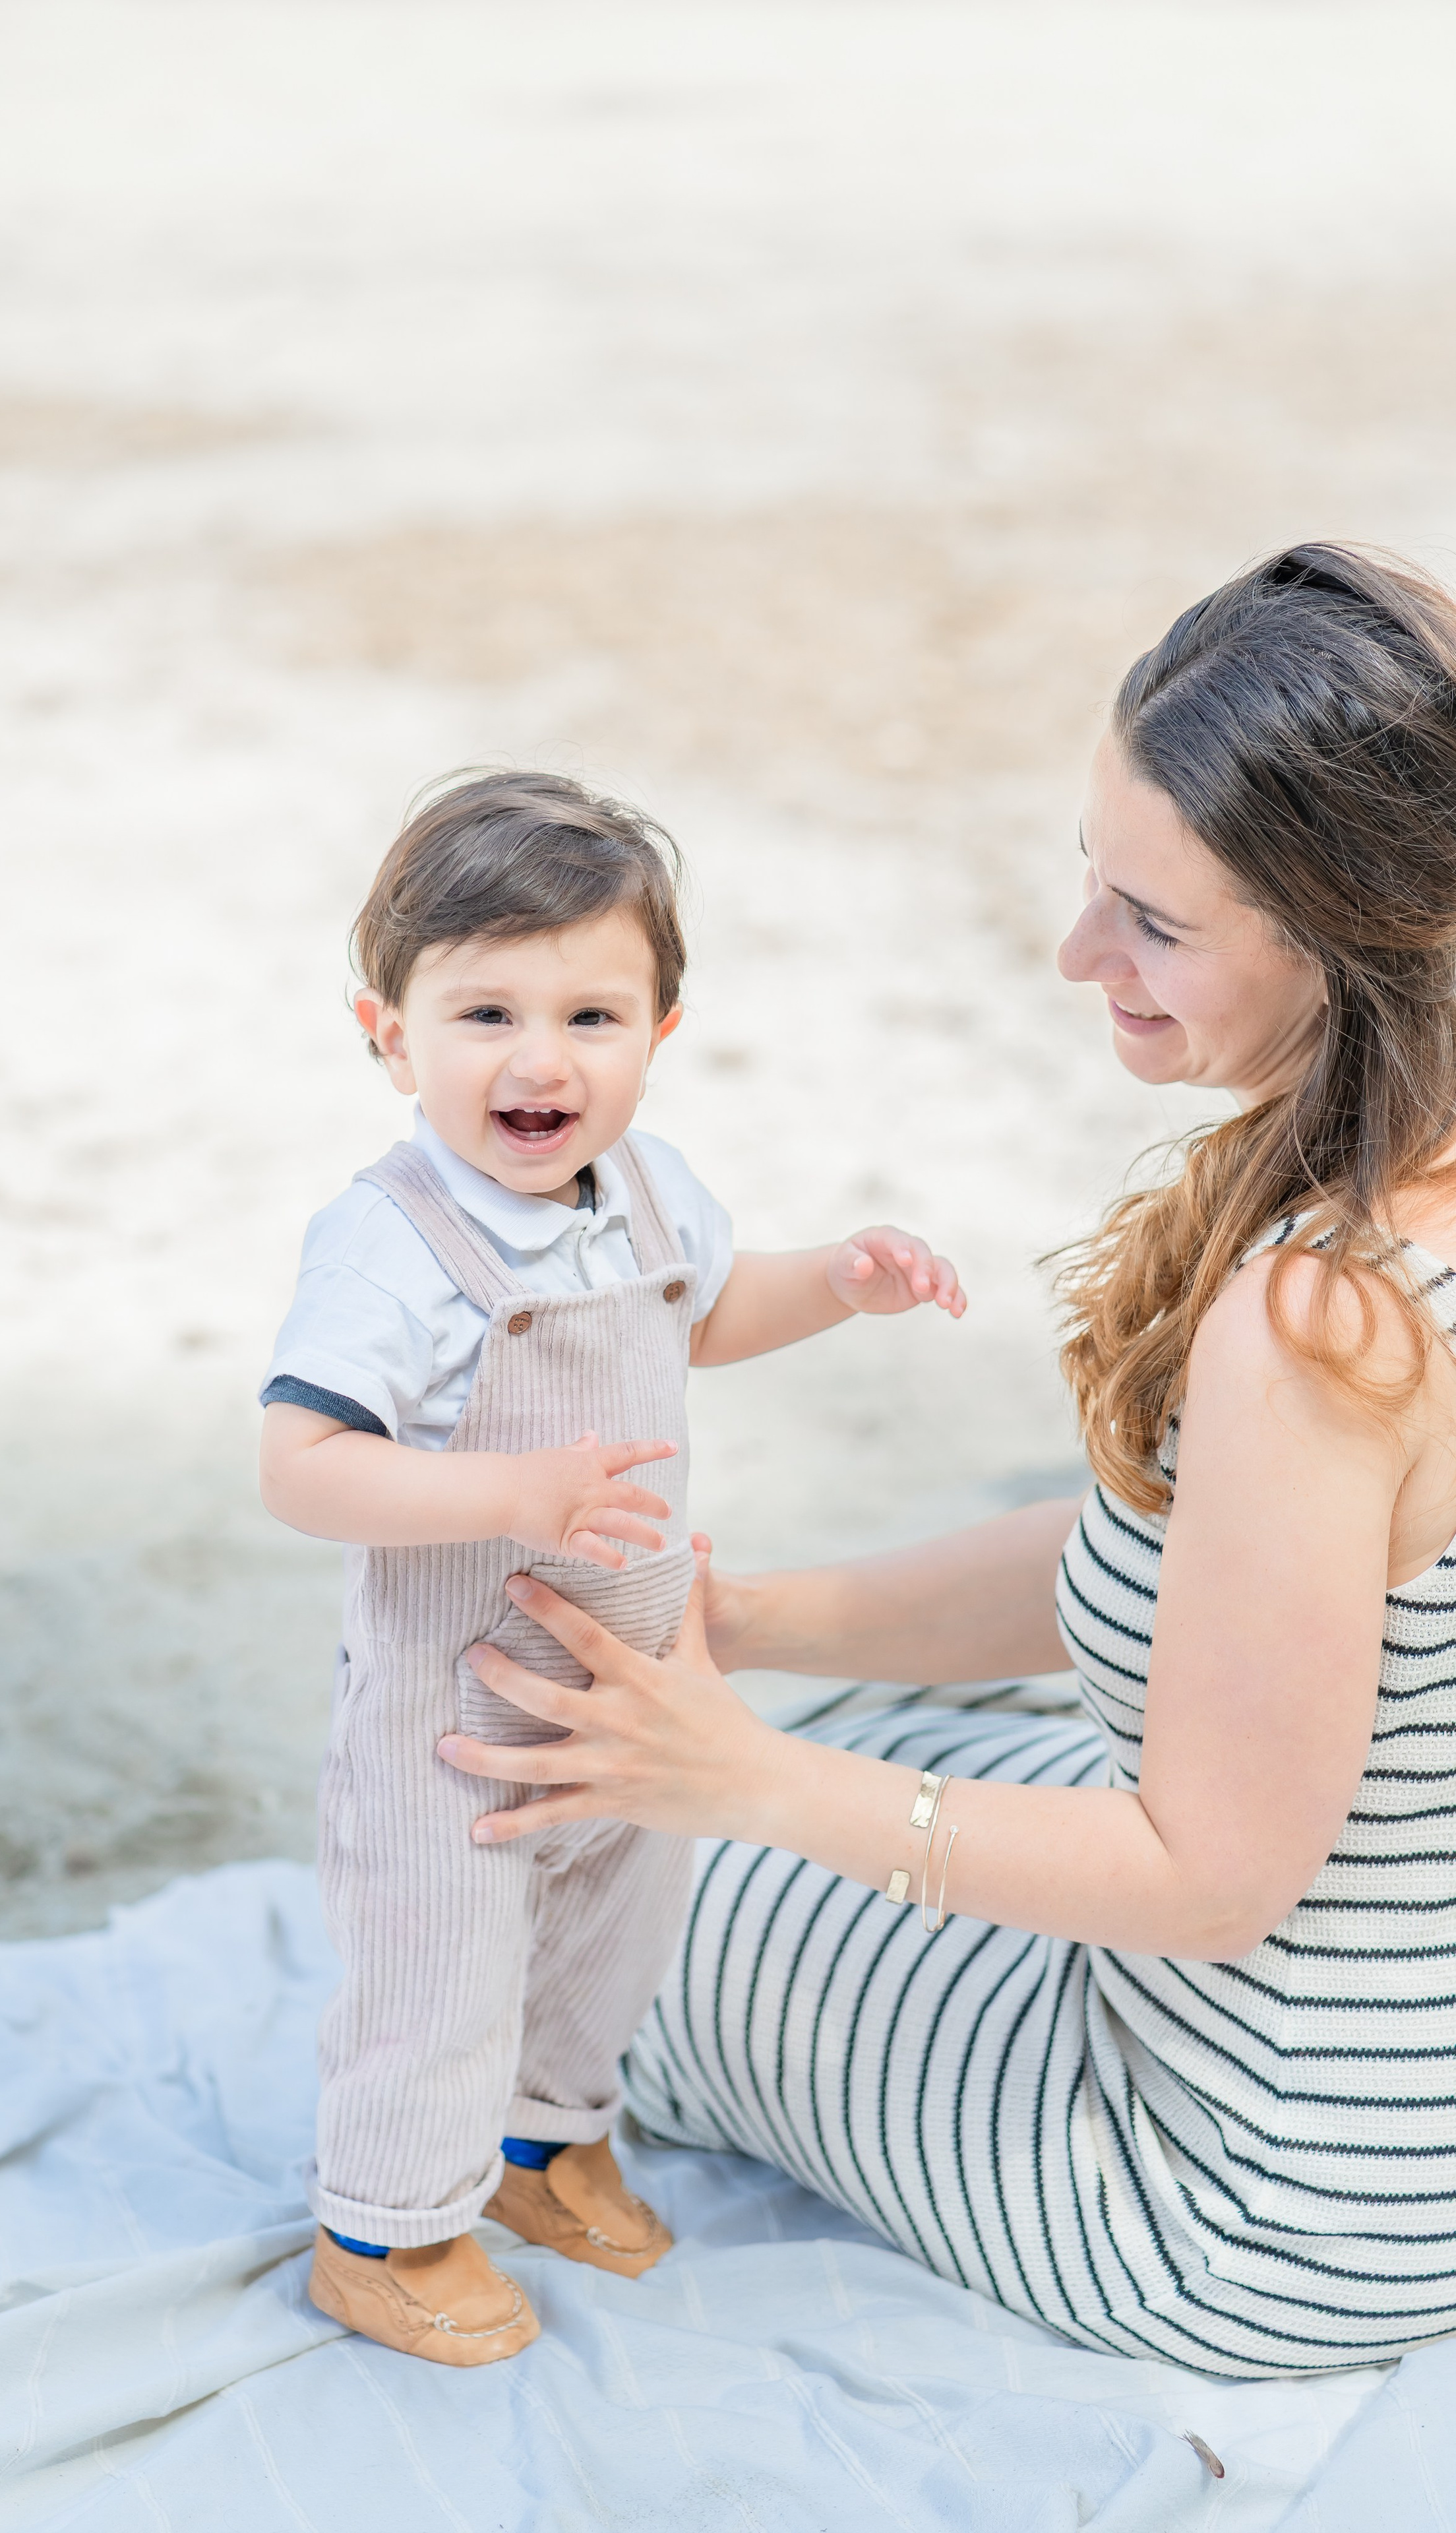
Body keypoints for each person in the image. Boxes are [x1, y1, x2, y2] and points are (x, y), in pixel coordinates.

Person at [441, 546, 1456, 2379]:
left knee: (592, 1886)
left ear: (1351, 936)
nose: (1079, 951)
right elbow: (1203, 1554)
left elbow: (1215, 1877)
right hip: (1410, 2085)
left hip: (1258, 2202)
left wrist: (730, 1779)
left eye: (1154, 918)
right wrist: (753, 1622)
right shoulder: (1403, 1208)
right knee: (883, 1750)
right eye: (1093, 872)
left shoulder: (1328, 1327)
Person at [258, 770, 965, 2365]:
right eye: (485, 1011)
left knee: (607, 1936)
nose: (537, 1060)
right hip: (454, 1702)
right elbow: (298, 1467)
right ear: (389, 1035)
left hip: (630, 1677)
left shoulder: (646, 1190)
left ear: (659, 1031)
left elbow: (700, 1318)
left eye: (590, 1016)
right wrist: (506, 1487)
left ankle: (542, 2147)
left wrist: (837, 1285)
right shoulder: (391, 1243)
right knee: (439, 1968)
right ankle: (382, 2229)